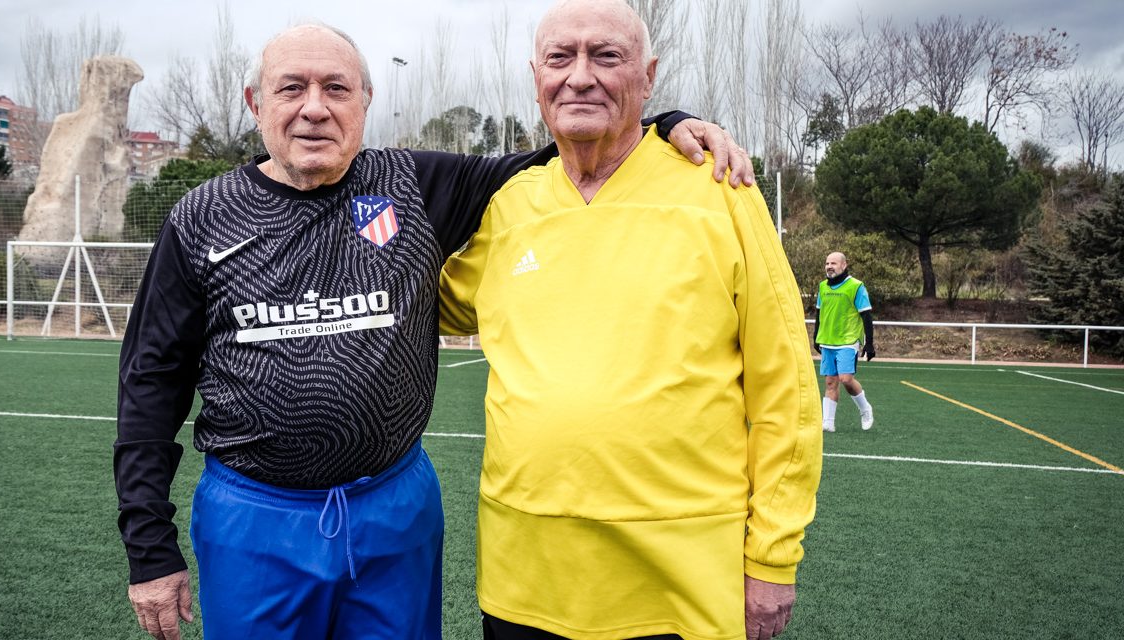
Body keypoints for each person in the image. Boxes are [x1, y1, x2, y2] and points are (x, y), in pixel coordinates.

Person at [114, 21, 756, 640]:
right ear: (256, 103)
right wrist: (149, 550)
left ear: (366, 101)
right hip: (254, 517)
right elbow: (150, 383)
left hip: (395, 511)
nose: (315, 108)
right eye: (292, 88)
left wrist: (664, 124)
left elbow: (566, 146)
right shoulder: (202, 217)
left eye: (337, 89)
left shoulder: (412, 183)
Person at [437, 1, 823, 638]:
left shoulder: (721, 189)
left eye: (606, 56)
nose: (580, 76)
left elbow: (786, 389)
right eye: (560, 58)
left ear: (648, 76)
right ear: (536, 77)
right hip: (522, 580)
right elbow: (416, 303)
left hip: (681, 584)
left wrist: (773, 558)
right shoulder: (508, 205)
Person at [812, 251, 876, 432]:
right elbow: (819, 313)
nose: (829, 267)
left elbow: (866, 315)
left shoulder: (856, 286)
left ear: (844, 265)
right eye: (827, 263)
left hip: (848, 340)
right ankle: (828, 423)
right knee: (830, 382)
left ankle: (865, 409)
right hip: (827, 341)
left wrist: (869, 343)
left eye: (833, 263)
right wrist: (816, 336)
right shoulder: (823, 286)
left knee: (846, 379)